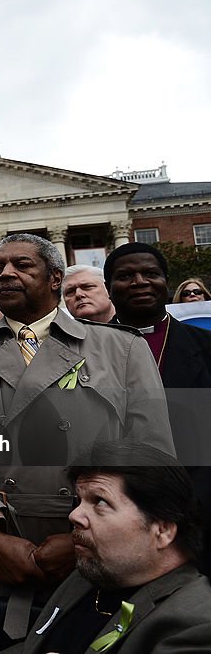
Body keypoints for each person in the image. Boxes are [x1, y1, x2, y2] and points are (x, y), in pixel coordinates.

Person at [0, 233, 175, 653]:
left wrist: (86, 536)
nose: (5, 273)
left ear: (55, 279)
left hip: (98, 548)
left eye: (22, 265)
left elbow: (151, 456)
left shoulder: (121, 349)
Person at [7, 441, 211, 654]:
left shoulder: (196, 626)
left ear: (163, 531)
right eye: (79, 501)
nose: (74, 515)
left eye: (100, 502)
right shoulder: (89, 576)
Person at [105, 241, 211, 572]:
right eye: (125, 276)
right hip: (115, 513)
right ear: (109, 289)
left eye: (150, 273)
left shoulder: (204, 347)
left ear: (166, 281)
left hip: (198, 511)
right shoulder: (83, 353)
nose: (139, 282)